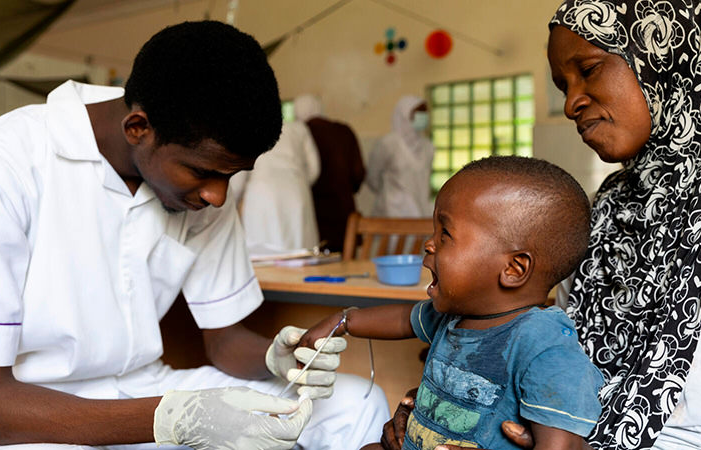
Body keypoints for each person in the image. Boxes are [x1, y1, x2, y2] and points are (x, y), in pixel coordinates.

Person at [0, 20, 389, 450]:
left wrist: (275, 359)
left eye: (232, 176)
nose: (218, 197)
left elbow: (223, 340)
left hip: (142, 388)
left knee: (355, 404)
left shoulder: (197, 189)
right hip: (26, 413)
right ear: (138, 128)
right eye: (203, 172)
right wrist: (173, 420)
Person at [385, 1, 701, 449]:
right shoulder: (609, 205)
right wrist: (444, 414)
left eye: (589, 69)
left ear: (661, 58)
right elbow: (552, 352)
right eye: (563, 85)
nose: (571, 104)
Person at [300, 156, 604, 450]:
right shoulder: (459, 315)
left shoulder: (546, 349)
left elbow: (561, 446)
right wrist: (344, 320)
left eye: (445, 233)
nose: (428, 243)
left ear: (513, 269)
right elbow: (404, 319)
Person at [294, 94, 366, 252]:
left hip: (314, 215)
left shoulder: (301, 133)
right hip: (343, 213)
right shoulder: (344, 131)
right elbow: (358, 173)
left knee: (316, 263)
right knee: (346, 260)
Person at [237, 119, 321, 251]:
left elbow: (238, 176)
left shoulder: (247, 128)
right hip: (296, 191)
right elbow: (315, 169)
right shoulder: (299, 128)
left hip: (262, 194)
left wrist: (235, 200)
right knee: (300, 250)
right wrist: (299, 181)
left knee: (264, 253)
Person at [367, 95, 434, 218]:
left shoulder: (428, 146)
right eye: (418, 112)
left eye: (424, 113)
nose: (423, 117)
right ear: (405, 115)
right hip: (392, 212)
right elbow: (373, 177)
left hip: (422, 211)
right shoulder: (388, 143)